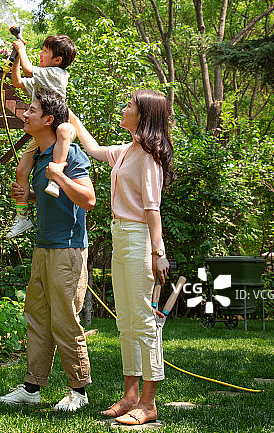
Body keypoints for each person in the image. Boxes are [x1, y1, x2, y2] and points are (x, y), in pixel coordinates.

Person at [71, 90, 175, 426]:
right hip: (121, 237)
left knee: (144, 322)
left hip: (139, 239)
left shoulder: (149, 157)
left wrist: (158, 252)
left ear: (144, 116)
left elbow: (152, 208)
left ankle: (149, 402)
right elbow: (92, 148)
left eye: (129, 105)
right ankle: (130, 396)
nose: (124, 108)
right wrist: (69, 113)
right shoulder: (128, 150)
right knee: (125, 322)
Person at [0, 90, 96, 411]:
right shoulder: (37, 158)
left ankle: (78, 391)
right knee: (37, 317)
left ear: (48, 120)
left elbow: (88, 200)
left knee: (64, 320)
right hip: (43, 248)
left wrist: (60, 175)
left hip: (67, 250)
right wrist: (28, 195)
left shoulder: (72, 155)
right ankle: (31, 388)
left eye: (31, 111)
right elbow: (52, 199)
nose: (25, 115)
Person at [5, 35, 78, 239]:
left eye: (45, 51)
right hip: (42, 134)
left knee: (64, 130)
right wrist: (16, 58)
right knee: (21, 169)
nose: (41, 54)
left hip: (60, 125)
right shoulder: (41, 79)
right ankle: (21, 217)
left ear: (57, 60)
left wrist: (21, 49)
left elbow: (28, 70)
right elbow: (17, 80)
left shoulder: (57, 73)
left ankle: (55, 179)